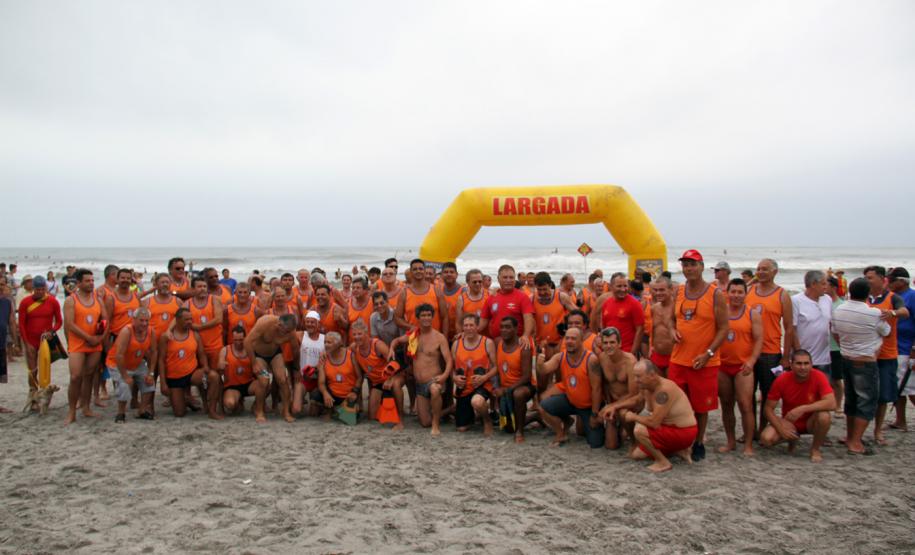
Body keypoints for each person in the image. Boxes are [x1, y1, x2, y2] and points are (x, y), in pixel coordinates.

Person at [669, 250, 728, 461]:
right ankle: (681, 441)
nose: (689, 269)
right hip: (678, 359)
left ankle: (699, 442)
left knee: (701, 407)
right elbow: (670, 319)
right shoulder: (679, 291)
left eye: (692, 264)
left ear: (702, 266)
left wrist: (708, 353)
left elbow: (723, 328)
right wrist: (671, 331)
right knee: (677, 403)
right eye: (685, 265)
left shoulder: (715, 294)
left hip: (704, 362)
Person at [831, 277, 890, 455]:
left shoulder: (839, 310)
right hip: (865, 360)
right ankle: (855, 441)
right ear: (868, 293)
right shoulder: (874, 313)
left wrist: (845, 347)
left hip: (846, 357)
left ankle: (850, 436)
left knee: (852, 400)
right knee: (866, 402)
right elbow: (886, 331)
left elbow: (835, 333)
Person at [746, 258, 795, 435]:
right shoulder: (749, 291)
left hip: (771, 352)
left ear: (775, 272)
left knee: (768, 394)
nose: (761, 272)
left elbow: (789, 328)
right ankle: (750, 430)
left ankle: (763, 426)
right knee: (747, 395)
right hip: (748, 352)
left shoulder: (782, 295)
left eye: (765, 269)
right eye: (758, 269)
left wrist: (786, 356)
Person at [759, 349, 835, 462]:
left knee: (824, 416)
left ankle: (815, 449)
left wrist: (803, 409)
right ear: (791, 365)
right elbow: (768, 409)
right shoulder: (782, 380)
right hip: (790, 422)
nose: (803, 367)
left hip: (811, 421)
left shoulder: (819, 376)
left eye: (806, 363)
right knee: (766, 439)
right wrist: (781, 429)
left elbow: (832, 403)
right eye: (799, 363)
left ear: (811, 364)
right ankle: (792, 439)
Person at [624, 359, 698, 473]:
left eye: (639, 377)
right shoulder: (646, 386)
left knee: (639, 430)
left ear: (652, 375)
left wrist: (632, 417)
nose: (635, 380)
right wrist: (613, 407)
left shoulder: (664, 390)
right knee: (636, 455)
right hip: (669, 429)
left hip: (683, 431)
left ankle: (663, 462)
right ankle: (679, 451)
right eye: (635, 376)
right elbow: (637, 400)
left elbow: (654, 423)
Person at [390, 303, 452, 436]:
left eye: (429, 315)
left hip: (435, 380)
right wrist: (391, 349)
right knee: (424, 422)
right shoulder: (414, 335)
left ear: (432, 317)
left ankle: (436, 425)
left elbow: (449, 360)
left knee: (435, 390)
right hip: (420, 384)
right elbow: (396, 341)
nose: (426, 318)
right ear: (418, 318)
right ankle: (450, 409)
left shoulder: (439, 337)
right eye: (423, 315)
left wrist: (444, 376)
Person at [863, 265, 909, 445]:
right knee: (864, 395)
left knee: (883, 396)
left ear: (883, 280)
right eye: (865, 277)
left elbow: (905, 312)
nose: (867, 280)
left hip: (886, 354)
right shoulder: (862, 297)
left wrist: (892, 312)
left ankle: (877, 431)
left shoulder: (892, 297)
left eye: (870, 277)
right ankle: (858, 431)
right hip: (865, 353)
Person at [536, 327, 604, 448]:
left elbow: (597, 389)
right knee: (543, 406)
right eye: (567, 338)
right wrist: (540, 362)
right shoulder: (560, 356)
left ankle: (588, 422)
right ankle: (560, 432)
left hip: (588, 407)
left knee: (596, 443)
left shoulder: (591, 359)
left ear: (581, 340)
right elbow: (544, 370)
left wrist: (594, 414)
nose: (569, 341)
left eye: (573, 338)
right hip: (571, 401)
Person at [718, 278, 763, 455]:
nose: (736, 295)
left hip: (743, 367)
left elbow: (759, 339)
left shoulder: (752, 314)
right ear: (727, 293)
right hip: (722, 366)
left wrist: (751, 361)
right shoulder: (721, 313)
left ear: (745, 294)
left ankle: (748, 444)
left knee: (745, 405)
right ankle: (730, 441)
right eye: (733, 292)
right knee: (726, 404)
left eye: (740, 292)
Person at [158, 307, 222, 419]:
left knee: (213, 377)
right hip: (174, 377)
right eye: (186, 320)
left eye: (191, 319)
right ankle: (185, 399)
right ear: (177, 320)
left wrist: (205, 366)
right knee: (179, 413)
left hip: (191, 374)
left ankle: (212, 410)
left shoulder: (195, 335)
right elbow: (161, 360)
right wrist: (163, 383)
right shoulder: (166, 337)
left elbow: (201, 354)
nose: (190, 322)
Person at [63, 269, 108, 424]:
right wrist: (88, 337)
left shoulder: (98, 300)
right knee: (75, 377)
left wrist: (99, 337)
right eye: (87, 281)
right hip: (78, 343)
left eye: (92, 280)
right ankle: (71, 411)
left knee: (89, 375)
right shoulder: (71, 300)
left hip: (95, 343)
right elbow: (69, 324)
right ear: (79, 283)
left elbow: (105, 320)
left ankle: (86, 407)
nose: (91, 283)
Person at [244, 313, 299, 422]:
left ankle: (286, 411)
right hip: (259, 355)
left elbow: (295, 349)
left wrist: (296, 368)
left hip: (275, 354)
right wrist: (254, 363)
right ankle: (259, 411)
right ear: (279, 324)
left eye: (289, 331)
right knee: (264, 381)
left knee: (283, 379)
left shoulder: (291, 332)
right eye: (285, 331)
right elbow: (247, 342)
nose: (287, 334)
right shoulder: (265, 322)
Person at [106, 307, 157, 422]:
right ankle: (121, 413)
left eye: (146, 321)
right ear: (134, 319)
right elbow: (119, 355)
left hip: (136, 362)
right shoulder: (127, 331)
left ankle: (142, 410)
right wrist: (125, 375)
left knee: (149, 383)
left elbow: (154, 352)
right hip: (118, 363)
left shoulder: (151, 331)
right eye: (141, 320)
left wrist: (151, 372)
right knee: (124, 385)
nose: (144, 324)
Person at [18, 274, 63, 402]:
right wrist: (26, 343)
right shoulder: (25, 302)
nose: (41, 292)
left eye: (43, 289)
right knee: (33, 370)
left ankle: (43, 395)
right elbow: (21, 324)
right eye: (38, 289)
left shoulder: (53, 301)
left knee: (44, 369)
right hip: (30, 339)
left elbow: (59, 321)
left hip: (45, 340)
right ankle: (32, 395)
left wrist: (52, 331)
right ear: (33, 289)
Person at [452, 313, 497, 435]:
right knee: (461, 428)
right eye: (466, 325)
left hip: (482, 384)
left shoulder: (487, 343)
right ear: (462, 327)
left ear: (477, 327)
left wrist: (485, 377)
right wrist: (454, 377)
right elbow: (451, 368)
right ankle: (473, 416)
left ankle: (487, 421)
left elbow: (496, 367)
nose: (468, 328)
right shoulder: (456, 344)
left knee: (476, 401)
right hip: (464, 387)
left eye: (471, 325)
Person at [352, 320, 403, 428]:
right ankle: (385, 402)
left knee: (396, 386)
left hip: (391, 376)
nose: (357, 337)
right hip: (377, 382)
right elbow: (341, 349)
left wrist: (390, 378)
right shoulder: (355, 348)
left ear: (366, 334)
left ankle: (400, 418)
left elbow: (393, 360)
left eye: (360, 334)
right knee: (372, 416)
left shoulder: (377, 344)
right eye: (354, 334)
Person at [596, 327, 639, 450]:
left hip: (631, 403)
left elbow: (633, 394)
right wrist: (607, 404)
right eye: (605, 343)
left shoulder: (630, 361)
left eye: (612, 342)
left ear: (619, 343)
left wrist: (613, 406)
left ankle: (634, 440)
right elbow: (605, 384)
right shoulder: (602, 358)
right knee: (611, 446)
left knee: (623, 413)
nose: (609, 346)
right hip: (613, 402)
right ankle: (619, 427)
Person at [493, 316, 534, 443]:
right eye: (502, 327)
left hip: (523, 386)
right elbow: (496, 369)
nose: (504, 330)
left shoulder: (524, 347)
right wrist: (497, 387)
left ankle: (520, 431)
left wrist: (508, 390)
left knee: (518, 394)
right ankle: (534, 417)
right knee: (508, 428)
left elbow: (526, 377)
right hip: (506, 388)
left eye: (508, 327)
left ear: (516, 329)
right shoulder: (498, 343)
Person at [219, 325, 268, 422]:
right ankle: (239, 403)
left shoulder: (251, 349)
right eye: (236, 340)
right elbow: (219, 365)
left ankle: (258, 409)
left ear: (245, 338)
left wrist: (263, 372)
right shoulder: (225, 350)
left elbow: (261, 364)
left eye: (241, 340)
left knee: (265, 380)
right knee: (230, 404)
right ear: (232, 338)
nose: (238, 343)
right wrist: (221, 365)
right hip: (233, 386)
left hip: (249, 383)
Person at [887, 267, 915, 431]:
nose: (888, 283)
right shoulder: (895, 297)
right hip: (895, 347)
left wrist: (914, 348)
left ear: (901, 281)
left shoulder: (912, 296)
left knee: (910, 389)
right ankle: (900, 420)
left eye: (891, 280)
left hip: (907, 349)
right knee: (899, 388)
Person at [791, 270, 833, 376]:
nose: (826, 286)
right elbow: (792, 329)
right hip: (803, 360)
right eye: (823, 283)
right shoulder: (796, 300)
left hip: (824, 358)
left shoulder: (827, 299)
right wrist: (799, 354)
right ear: (813, 284)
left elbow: (831, 324)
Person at [592, 272, 644, 354]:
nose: (623, 289)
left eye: (625, 286)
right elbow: (604, 328)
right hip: (609, 351)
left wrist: (632, 352)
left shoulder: (635, 304)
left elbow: (640, 330)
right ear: (611, 287)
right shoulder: (606, 303)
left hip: (626, 351)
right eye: (619, 286)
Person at [479, 265, 535, 340]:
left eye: (511, 277)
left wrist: (525, 335)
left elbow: (528, 319)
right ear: (498, 279)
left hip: (516, 341)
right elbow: (483, 321)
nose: (508, 280)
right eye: (505, 277)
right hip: (496, 341)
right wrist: (469, 332)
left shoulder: (523, 297)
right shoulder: (491, 298)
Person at [314, 331, 363, 417]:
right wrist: (325, 394)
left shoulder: (351, 355)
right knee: (315, 396)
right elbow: (321, 383)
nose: (326, 344)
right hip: (332, 394)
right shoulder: (324, 358)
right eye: (325, 342)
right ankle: (332, 409)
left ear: (338, 344)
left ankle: (337, 410)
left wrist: (355, 392)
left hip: (349, 394)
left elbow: (359, 377)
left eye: (329, 342)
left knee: (349, 420)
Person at [395, 259, 448, 336]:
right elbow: (397, 318)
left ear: (424, 271)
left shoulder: (436, 290)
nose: (418, 271)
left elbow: (445, 317)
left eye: (420, 269)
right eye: (415, 269)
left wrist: (444, 338)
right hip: (414, 339)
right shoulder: (404, 293)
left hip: (435, 338)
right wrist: (411, 327)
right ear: (411, 272)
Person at [532, 272, 577, 358]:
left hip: (559, 343)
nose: (542, 292)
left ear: (550, 285)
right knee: (542, 370)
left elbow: (578, 314)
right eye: (539, 289)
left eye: (545, 289)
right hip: (541, 344)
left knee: (560, 370)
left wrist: (569, 326)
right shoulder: (532, 299)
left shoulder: (561, 297)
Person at [188, 276, 225, 369]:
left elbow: (218, 319)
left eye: (204, 286)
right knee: (201, 374)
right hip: (197, 347)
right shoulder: (187, 304)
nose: (203, 289)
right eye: (199, 286)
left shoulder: (214, 299)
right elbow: (185, 322)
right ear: (193, 289)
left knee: (216, 374)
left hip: (215, 345)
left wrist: (199, 327)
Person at [294, 311, 325, 416]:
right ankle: (297, 399)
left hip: (318, 379)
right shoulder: (300, 335)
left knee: (314, 414)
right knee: (296, 410)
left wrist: (314, 369)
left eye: (312, 322)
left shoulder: (325, 339)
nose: (309, 324)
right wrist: (296, 370)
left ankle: (316, 401)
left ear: (318, 324)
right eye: (307, 322)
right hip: (303, 378)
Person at [825, 276, 846, 415]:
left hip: (836, 347)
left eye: (825, 285)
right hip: (822, 346)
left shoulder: (841, 305)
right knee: (824, 378)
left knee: (837, 379)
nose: (823, 287)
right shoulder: (821, 302)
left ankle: (838, 405)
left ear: (833, 287)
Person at [648, 276, 675, 374]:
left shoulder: (676, 308)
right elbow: (653, 330)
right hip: (656, 355)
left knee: (671, 387)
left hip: (672, 356)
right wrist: (651, 346)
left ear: (671, 289)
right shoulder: (654, 308)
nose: (658, 293)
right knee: (657, 387)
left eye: (662, 290)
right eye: (656, 290)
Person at [455, 269, 489, 334]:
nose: (478, 284)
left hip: (486, 338)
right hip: (469, 337)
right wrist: (460, 338)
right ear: (468, 282)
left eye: (480, 281)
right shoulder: (461, 299)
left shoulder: (489, 295)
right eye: (474, 282)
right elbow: (458, 323)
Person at [0, 285, 17, 410]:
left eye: (3, 284)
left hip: (1, 343)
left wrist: (15, 341)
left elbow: (11, 322)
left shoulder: (7, 303)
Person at [439, 262, 462, 342]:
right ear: (441, 275)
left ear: (457, 274)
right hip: (442, 335)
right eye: (446, 272)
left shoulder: (464, 292)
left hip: (459, 336)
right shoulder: (438, 291)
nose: (449, 274)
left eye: (451, 272)